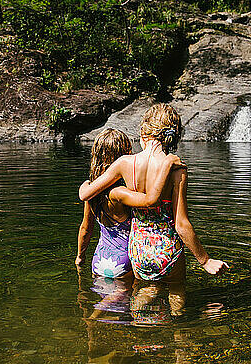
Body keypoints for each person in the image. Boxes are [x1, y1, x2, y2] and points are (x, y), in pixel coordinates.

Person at [79, 104, 228, 283]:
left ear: (144, 130)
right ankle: (179, 312)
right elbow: (180, 223)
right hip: (166, 249)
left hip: (138, 250)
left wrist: (86, 184)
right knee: (176, 293)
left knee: (143, 292)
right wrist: (205, 260)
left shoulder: (124, 163)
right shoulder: (176, 168)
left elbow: (86, 196)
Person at [75, 128, 186, 279]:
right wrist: (166, 167)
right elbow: (150, 201)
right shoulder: (121, 193)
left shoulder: (92, 192)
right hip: (124, 262)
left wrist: (80, 257)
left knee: (107, 297)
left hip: (99, 260)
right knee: (129, 298)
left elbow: (85, 229)